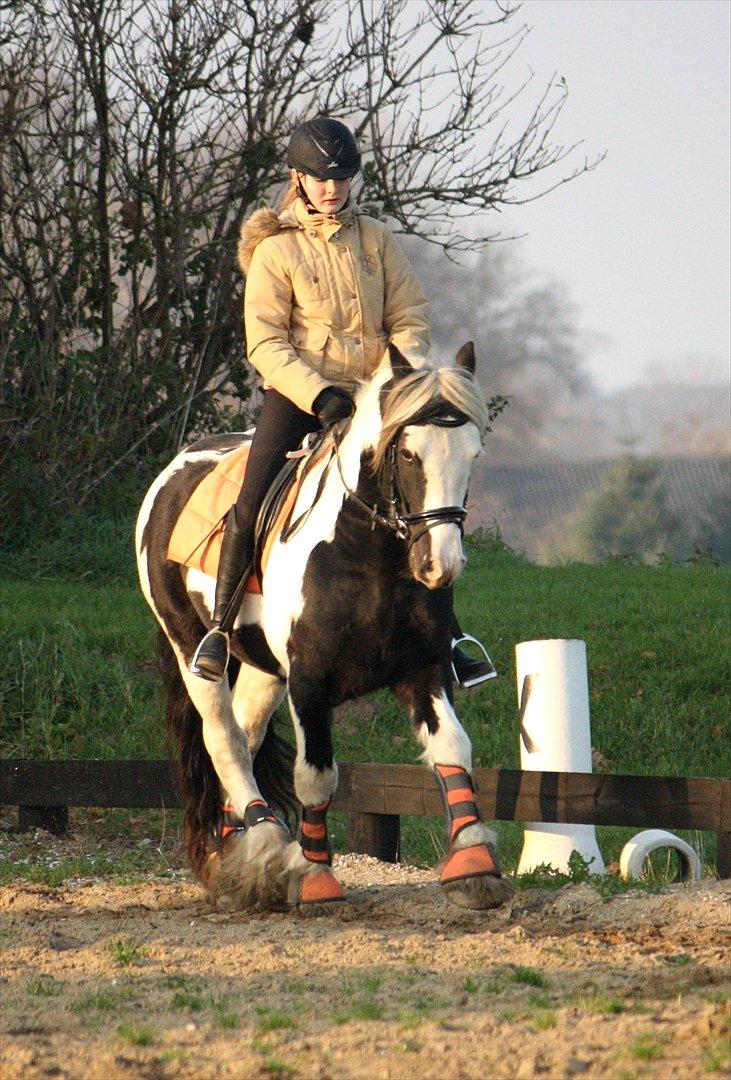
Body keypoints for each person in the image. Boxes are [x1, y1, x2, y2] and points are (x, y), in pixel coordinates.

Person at [190, 117, 495, 689]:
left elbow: (409, 317)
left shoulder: (375, 239)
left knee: (425, 503)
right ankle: (218, 628)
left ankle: (451, 638)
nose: (332, 189)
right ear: (297, 178)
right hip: (301, 398)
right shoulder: (275, 251)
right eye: (321, 179)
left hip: (376, 399)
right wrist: (319, 393)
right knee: (252, 499)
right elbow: (265, 341)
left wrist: (391, 380)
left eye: (342, 179)